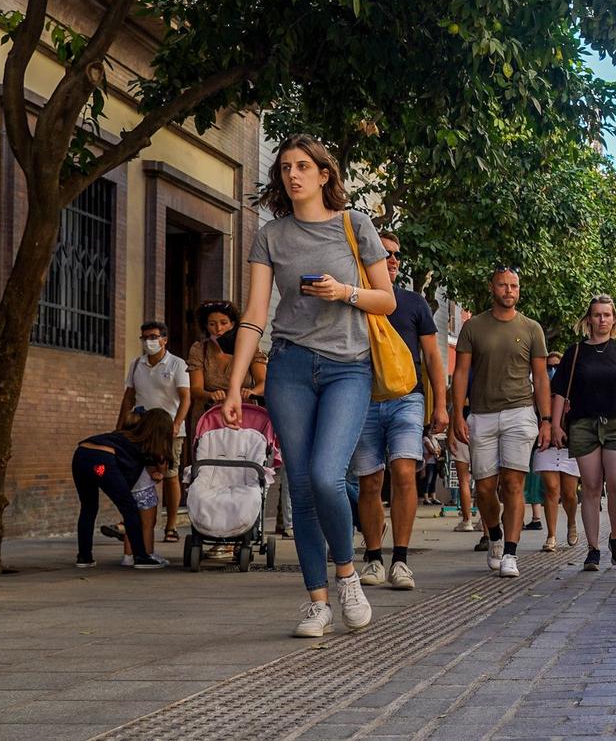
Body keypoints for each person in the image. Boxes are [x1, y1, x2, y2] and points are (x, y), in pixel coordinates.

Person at [220, 134, 396, 638]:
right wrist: (235, 387)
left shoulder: (354, 225)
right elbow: (255, 315)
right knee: (299, 485)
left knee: (325, 476)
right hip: (290, 368)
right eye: (285, 168)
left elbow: (386, 300)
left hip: (348, 367)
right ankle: (317, 601)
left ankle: (347, 575)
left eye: (303, 166)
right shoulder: (270, 236)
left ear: (324, 175)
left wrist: (346, 292)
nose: (292, 175)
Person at [354, 230, 449, 592]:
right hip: (363, 398)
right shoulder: (354, 300)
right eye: (385, 254)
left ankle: (401, 561)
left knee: (404, 471)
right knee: (370, 481)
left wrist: (440, 405)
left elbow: (433, 357)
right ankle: (374, 557)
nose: (392, 261)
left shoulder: (414, 303)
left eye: (396, 256)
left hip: (408, 397)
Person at [451, 266, 551, 578]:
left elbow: (541, 377)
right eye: (503, 285)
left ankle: (510, 552)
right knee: (483, 488)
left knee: (513, 484)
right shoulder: (474, 327)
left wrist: (546, 420)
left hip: (520, 413)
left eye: (514, 286)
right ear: (492, 288)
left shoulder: (532, 328)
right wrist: (457, 414)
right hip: (481, 414)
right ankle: (494, 535)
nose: (509, 290)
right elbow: (461, 373)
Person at [549, 295, 616, 572]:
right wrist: (555, 424)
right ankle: (593, 548)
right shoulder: (575, 352)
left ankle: (615, 536)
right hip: (583, 425)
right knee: (590, 487)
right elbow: (559, 391)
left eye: (607, 315)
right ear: (588, 319)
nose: (602, 319)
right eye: (597, 315)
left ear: (614, 320)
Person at [71, 408, 174, 569]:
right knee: (129, 508)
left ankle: (84, 557)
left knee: (88, 508)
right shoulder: (146, 445)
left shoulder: (126, 435)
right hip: (102, 461)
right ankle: (140, 556)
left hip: (81, 454)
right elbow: (159, 465)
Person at [120, 319, 191, 543]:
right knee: (135, 474)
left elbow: (186, 398)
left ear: (164, 340)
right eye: (145, 338)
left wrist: (177, 423)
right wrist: (120, 426)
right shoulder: (136, 364)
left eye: (153, 337)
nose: (149, 342)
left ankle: (171, 526)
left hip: (169, 430)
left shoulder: (177, 364)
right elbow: (128, 397)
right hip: (140, 430)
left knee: (170, 475)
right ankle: (128, 521)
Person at [186, 300, 265, 436]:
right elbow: (195, 389)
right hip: (209, 418)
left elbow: (263, 382)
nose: (218, 329)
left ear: (233, 324)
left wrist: (252, 392)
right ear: (205, 326)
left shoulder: (248, 347)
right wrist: (210, 395)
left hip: (244, 416)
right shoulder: (199, 349)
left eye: (223, 323)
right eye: (212, 324)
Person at [530, 351, 581, 552]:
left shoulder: (574, 390)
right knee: (551, 489)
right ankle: (551, 536)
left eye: (556, 367)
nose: (552, 371)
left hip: (570, 446)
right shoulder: (538, 392)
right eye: (548, 367)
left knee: (569, 493)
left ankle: (571, 522)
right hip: (546, 444)